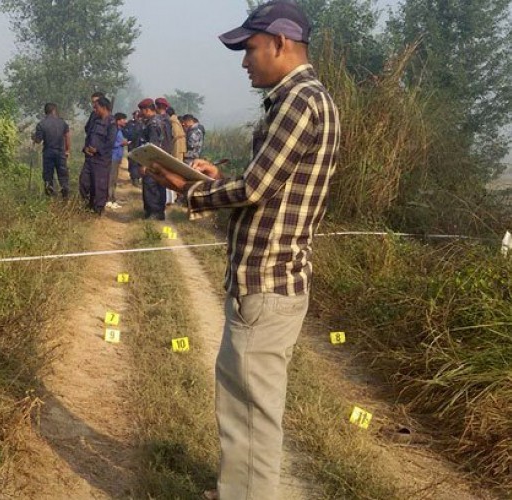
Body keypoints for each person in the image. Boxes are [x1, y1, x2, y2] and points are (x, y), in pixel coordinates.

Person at [147, 2, 341, 498]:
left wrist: (189, 191)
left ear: (280, 43)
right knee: (241, 402)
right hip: (267, 279)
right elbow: (269, 186)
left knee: (251, 410)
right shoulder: (300, 102)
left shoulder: (300, 101)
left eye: (250, 49)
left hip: (268, 280)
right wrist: (215, 180)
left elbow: (255, 189)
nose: (243, 61)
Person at [79, 96, 116, 214]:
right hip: (89, 159)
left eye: (97, 108)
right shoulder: (95, 121)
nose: (95, 110)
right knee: (84, 182)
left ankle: (98, 210)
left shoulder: (111, 122)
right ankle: (86, 206)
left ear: (104, 108)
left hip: (101, 160)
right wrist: (85, 148)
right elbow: (89, 136)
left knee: (99, 186)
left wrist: (97, 149)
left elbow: (110, 142)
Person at [137, 98, 167, 220]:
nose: (141, 114)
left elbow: (152, 146)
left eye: (142, 111)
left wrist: (145, 164)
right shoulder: (160, 121)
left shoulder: (153, 124)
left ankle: (154, 212)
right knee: (159, 185)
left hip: (153, 161)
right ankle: (158, 212)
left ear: (148, 110)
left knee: (151, 185)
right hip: (160, 161)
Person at [33, 102, 71, 198]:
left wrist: (33, 137)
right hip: (60, 153)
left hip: (48, 153)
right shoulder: (62, 123)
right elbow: (67, 137)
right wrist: (67, 150)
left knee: (48, 177)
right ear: (54, 110)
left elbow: (38, 140)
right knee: (63, 176)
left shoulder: (41, 124)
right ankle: (65, 198)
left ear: (46, 112)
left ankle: (51, 199)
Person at [155, 97, 178, 205]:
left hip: (161, 151)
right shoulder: (168, 120)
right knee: (166, 175)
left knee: (161, 177)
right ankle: (168, 200)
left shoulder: (159, 120)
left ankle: (163, 201)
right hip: (167, 150)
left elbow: (161, 138)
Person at [107, 112, 128, 208]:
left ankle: (113, 197)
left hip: (118, 157)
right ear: (118, 120)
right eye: (123, 119)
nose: (125, 121)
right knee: (111, 179)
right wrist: (121, 144)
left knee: (114, 179)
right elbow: (110, 144)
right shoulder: (113, 130)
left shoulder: (119, 130)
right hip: (113, 157)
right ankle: (108, 198)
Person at [122, 110, 144, 186]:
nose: (137, 117)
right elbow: (124, 131)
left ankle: (137, 178)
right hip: (132, 146)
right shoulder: (130, 123)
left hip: (140, 146)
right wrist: (128, 137)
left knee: (139, 163)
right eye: (136, 115)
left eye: (138, 116)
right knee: (132, 162)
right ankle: (134, 178)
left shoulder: (142, 124)